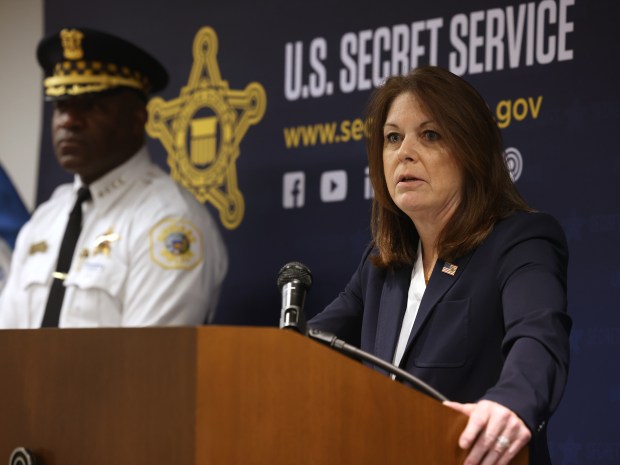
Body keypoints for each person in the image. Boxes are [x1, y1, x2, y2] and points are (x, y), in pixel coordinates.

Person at [308, 66, 571, 465]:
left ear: (472, 151)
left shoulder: (520, 241)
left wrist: (511, 404)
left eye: (429, 135)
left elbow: (538, 335)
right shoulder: (382, 264)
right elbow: (307, 347)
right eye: (392, 138)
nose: (404, 152)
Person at [0, 27, 227, 328]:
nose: (69, 121)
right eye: (61, 106)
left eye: (90, 105)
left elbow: (147, 364)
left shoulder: (167, 223)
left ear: (138, 117)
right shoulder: (45, 220)